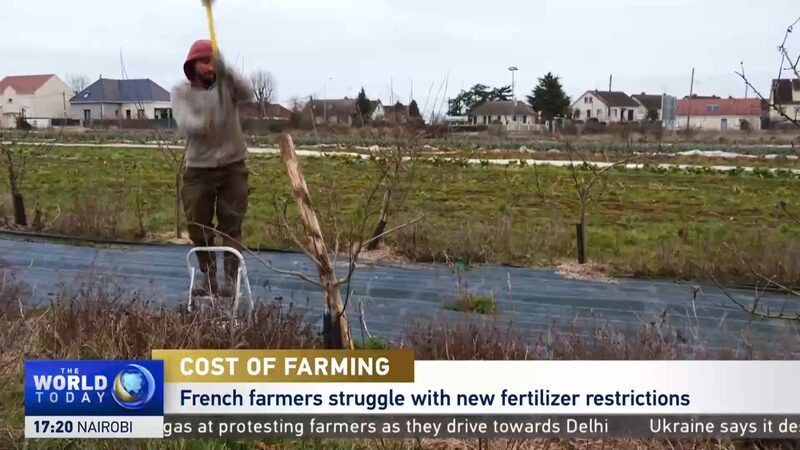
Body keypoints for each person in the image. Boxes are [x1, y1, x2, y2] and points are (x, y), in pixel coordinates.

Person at [172, 39, 254, 297]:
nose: (209, 67)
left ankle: (231, 280)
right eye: (204, 62)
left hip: (233, 166)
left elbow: (248, 92)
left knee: (232, 223)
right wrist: (207, 118)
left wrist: (226, 69)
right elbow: (188, 124)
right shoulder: (181, 93)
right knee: (198, 224)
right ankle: (209, 279)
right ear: (192, 65)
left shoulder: (228, 86)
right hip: (199, 169)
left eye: (212, 62)